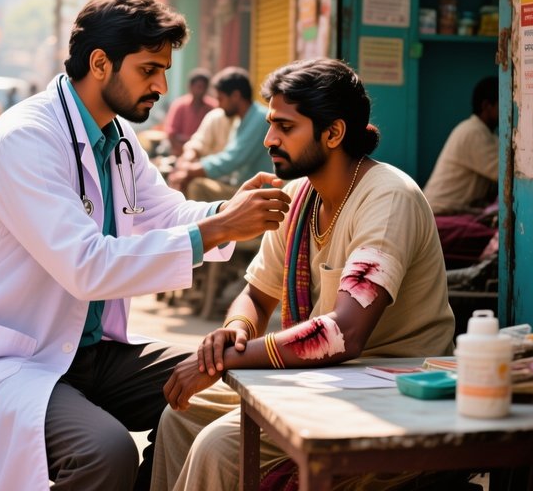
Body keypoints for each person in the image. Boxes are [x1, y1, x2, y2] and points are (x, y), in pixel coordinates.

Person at [0, 0, 291, 491]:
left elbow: (166, 213)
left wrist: (232, 211)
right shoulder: (26, 138)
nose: (160, 86)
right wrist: (219, 228)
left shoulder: (118, 137)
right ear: (102, 63)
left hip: (81, 352)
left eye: (164, 71)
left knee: (218, 381)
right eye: (148, 70)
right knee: (105, 452)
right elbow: (86, 265)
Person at [151, 58, 455, 491]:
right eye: (271, 122)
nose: (269, 138)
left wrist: (228, 360)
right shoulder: (296, 196)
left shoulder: (388, 199)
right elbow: (256, 296)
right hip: (322, 377)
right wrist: (234, 332)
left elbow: (343, 334)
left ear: (333, 133)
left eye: (285, 127)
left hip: (391, 385)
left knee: (219, 446)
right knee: (180, 414)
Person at [168, 67, 273, 201]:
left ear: (235, 96)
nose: (219, 105)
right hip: (240, 186)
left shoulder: (259, 118)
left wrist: (190, 171)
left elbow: (233, 159)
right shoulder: (240, 119)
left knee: (197, 186)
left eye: (221, 99)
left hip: (259, 193)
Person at [423, 76, 499, 216]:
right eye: (502, 103)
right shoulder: (473, 133)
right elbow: (505, 174)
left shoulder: (484, 133)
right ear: (486, 106)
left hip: (449, 212)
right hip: (441, 215)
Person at [162, 69, 217, 156]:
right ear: (190, 87)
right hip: (179, 154)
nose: (201, 91)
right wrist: (185, 153)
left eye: (204, 87)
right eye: (199, 87)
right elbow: (171, 133)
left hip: (204, 155)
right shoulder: (179, 105)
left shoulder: (213, 107)